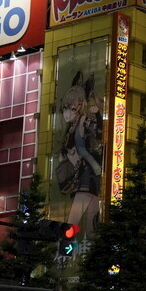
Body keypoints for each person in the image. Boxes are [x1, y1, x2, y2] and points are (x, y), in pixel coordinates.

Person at [56, 71, 104, 236]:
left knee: (81, 219)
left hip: (87, 174)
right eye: (65, 109)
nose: (67, 113)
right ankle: (73, 247)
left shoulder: (84, 121)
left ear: (81, 105)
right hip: (82, 175)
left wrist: (97, 113)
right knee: (87, 218)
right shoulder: (71, 127)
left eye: (72, 108)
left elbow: (98, 134)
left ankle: (69, 247)